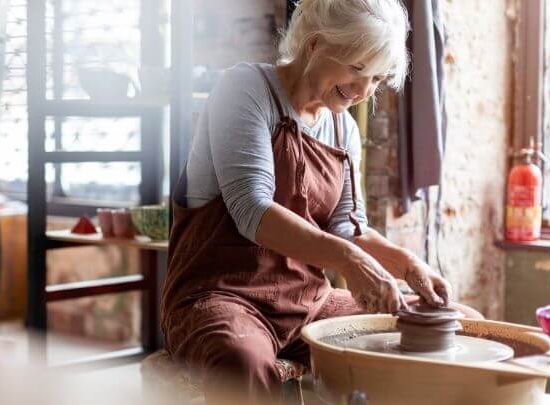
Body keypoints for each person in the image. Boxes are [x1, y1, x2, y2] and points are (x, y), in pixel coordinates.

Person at [161, 0, 482, 402]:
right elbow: (252, 210)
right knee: (242, 361)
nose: (364, 91)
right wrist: (348, 261)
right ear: (314, 45)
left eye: (377, 78)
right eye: (357, 68)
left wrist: (410, 265)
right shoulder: (244, 89)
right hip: (221, 297)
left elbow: (348, 228)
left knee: (460, 325)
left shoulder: (341, 127)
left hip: (308, 303)